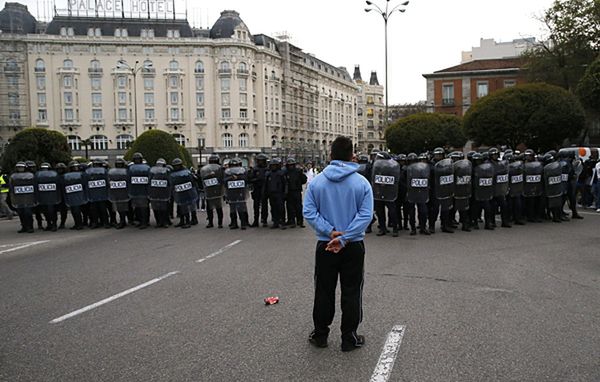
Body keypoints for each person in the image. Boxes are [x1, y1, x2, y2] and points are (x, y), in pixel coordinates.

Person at [303, 136, 373, 352]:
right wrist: (344, 237)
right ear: (352, 155)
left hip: (325, 244)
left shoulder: (317, 182)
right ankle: (349, 338)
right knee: (352, 291)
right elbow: (365, 215)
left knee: (324, 290)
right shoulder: (361, 183)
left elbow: (309, 212)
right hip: (352, 245)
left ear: (331, 155)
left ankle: (321, 334)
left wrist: (330, 232)